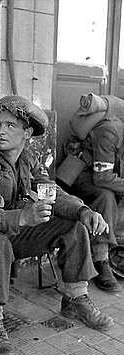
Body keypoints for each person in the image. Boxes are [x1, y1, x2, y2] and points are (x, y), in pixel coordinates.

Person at [0, 95, 114, 355]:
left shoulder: (28, 159)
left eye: (10, 126)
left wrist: (83, 210)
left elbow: (52, 191)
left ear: (27, 133)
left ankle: (76, 299)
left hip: (18, 232)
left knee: (73, 225)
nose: (0, 130)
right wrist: (22, 217)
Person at [70, 93, 124, 293]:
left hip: (106, 175)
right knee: (106, 197)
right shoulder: (109, 132)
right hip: (83, 175)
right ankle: (101, 260)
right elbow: (101, 178)